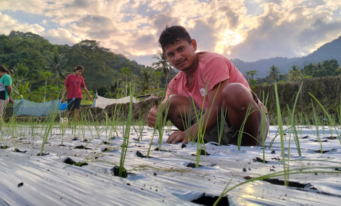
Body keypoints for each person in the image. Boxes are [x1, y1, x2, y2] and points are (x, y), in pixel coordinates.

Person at [147, 26, 269, 146]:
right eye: (171, 54)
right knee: (171, 103)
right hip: (214, 130)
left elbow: (217, 108)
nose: (177, 57)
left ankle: (249, 147)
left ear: (193, 45)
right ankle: (205, 143)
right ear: (167, 57)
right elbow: (162, 113)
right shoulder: (174, 83)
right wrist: (156, 115)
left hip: (252, 125)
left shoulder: (212, 62)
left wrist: (189, 133)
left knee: (234, 91)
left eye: (181, 49)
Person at [0, 65, 14, 130]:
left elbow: (9, 87)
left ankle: (0, 128)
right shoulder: (1, 77)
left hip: (3, 96)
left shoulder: (6, 76)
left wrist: (9, 97)